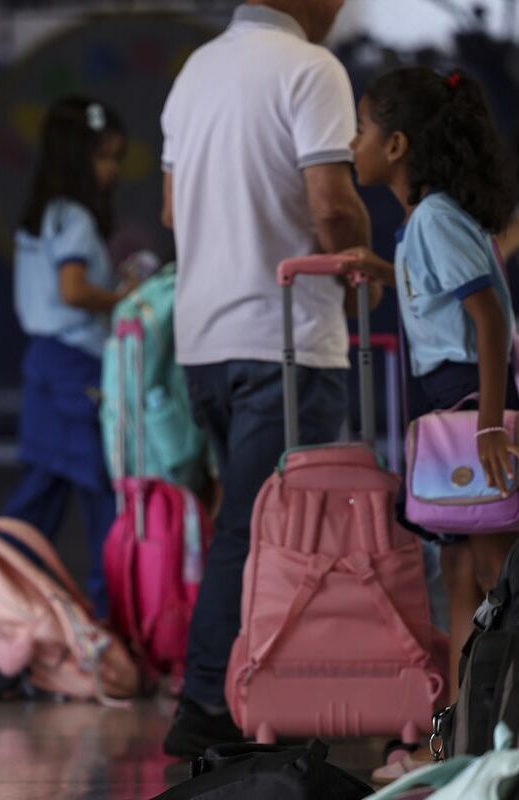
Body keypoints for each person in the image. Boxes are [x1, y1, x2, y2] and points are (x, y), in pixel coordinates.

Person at [159, 0, 373, 759]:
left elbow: (170, 208)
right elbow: (333, 208)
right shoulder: (312, 69)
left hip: (204, 338)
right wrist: (359, 271)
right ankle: (212, 700)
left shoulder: (194, 72)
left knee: (247, 523)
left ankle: (252, 694)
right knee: (262, 530)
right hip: (285, 339)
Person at [339, 67, 519, 783]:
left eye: (361, 129)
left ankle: (489, 737)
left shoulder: (437, 218)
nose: (352, 143)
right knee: (462, 577)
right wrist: (384, 270)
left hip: (466, 404)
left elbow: (490, 320)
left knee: (494, 577)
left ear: (398, 146)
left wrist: (488, 426)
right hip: (449, 402)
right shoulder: (425, 223)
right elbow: (446, 301)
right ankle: (460, 743)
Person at [2, 95, 132, 619]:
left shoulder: (41, 217)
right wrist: (125, 297)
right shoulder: (76, 216)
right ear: (79, 157)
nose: (112, 171)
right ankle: (113, 614)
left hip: (41, 363)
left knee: (42, 489)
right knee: (100, 490)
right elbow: (74, 289)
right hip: (77, 365)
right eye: (105, 157)